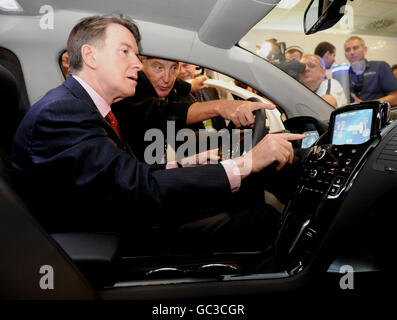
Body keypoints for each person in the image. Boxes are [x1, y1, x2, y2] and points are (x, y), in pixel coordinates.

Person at [11, 14, 305, 253]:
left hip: (116, 219)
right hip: (111, 239)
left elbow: (120, 177)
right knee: (262, 218)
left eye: (136, 55)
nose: (137, 65)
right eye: (125, 52)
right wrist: (246, 163)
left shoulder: (77, 106)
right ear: (90, 56)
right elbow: (136, 189)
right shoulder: (61, 113)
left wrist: (181, 164)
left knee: (243, 192)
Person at [344, 36, 397, 106]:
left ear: (365, 49)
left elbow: (395, 97)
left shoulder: (380, 66)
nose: (352, 52)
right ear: (345, 55)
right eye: (348, 50)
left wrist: (366, 105)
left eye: (355, 48)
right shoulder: (345, 76)